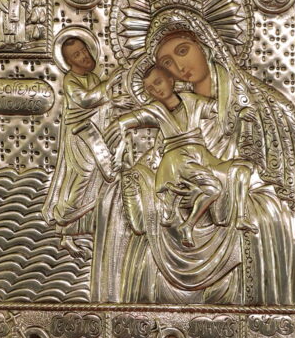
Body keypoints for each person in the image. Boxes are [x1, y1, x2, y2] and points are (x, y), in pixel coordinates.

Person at [90, 8, 295, 305]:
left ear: (206, 45)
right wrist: (136, 176)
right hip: (182, 189)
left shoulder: (262, 107)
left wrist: (225, 190)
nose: (179, 66)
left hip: (231, 198)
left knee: (264, 218)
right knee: (117, 203)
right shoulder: (173, 108)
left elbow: (281, 193)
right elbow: (158, 156)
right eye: (167, 63)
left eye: (183, 51)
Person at [105, 64, 256, 248]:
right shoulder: (155, 110)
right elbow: (133, 118)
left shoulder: (192, 100)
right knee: (213, 188)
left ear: (171, 80)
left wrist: (241, 112)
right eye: (150, 89)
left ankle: (240, 217)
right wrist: (120, 124)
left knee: (243, 169)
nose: (156, 90)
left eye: (158, 82)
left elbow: (221, 110)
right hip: (177, 160)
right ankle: (187, 226)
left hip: (203, 157)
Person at [42, 36, 120, 256]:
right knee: (81, 180)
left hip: (94, 134)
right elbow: (86, 100)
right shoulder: (70, 81)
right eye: (77, 55)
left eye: (84, 50)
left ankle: (83, 229)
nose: (84, 56)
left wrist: (115, 101)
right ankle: (63, 226)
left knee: (96, 180)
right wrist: (109, 84)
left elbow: (100, 105)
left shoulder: (92, 76)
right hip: (81, 138)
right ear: (69, 62)